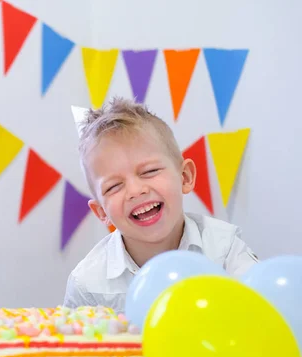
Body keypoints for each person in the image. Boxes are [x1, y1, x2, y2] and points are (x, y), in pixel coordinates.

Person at [63, 97, 258, 312]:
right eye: (114, 186)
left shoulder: (225, 250)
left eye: (149, 172)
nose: (136, 191)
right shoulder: (87, 284)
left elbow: (261, 315)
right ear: (101, 212)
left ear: (185, 177)